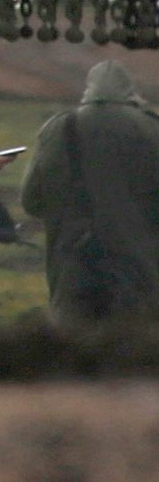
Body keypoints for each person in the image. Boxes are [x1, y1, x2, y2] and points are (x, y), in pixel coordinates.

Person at [20, 60, 159, 324]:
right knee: (132, 352)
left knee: (73, 352)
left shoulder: (59, 128)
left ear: (89, 90)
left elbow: (32, 201)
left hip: (74, 265)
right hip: (137, 269)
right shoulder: (152, 130)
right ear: (129, 91)